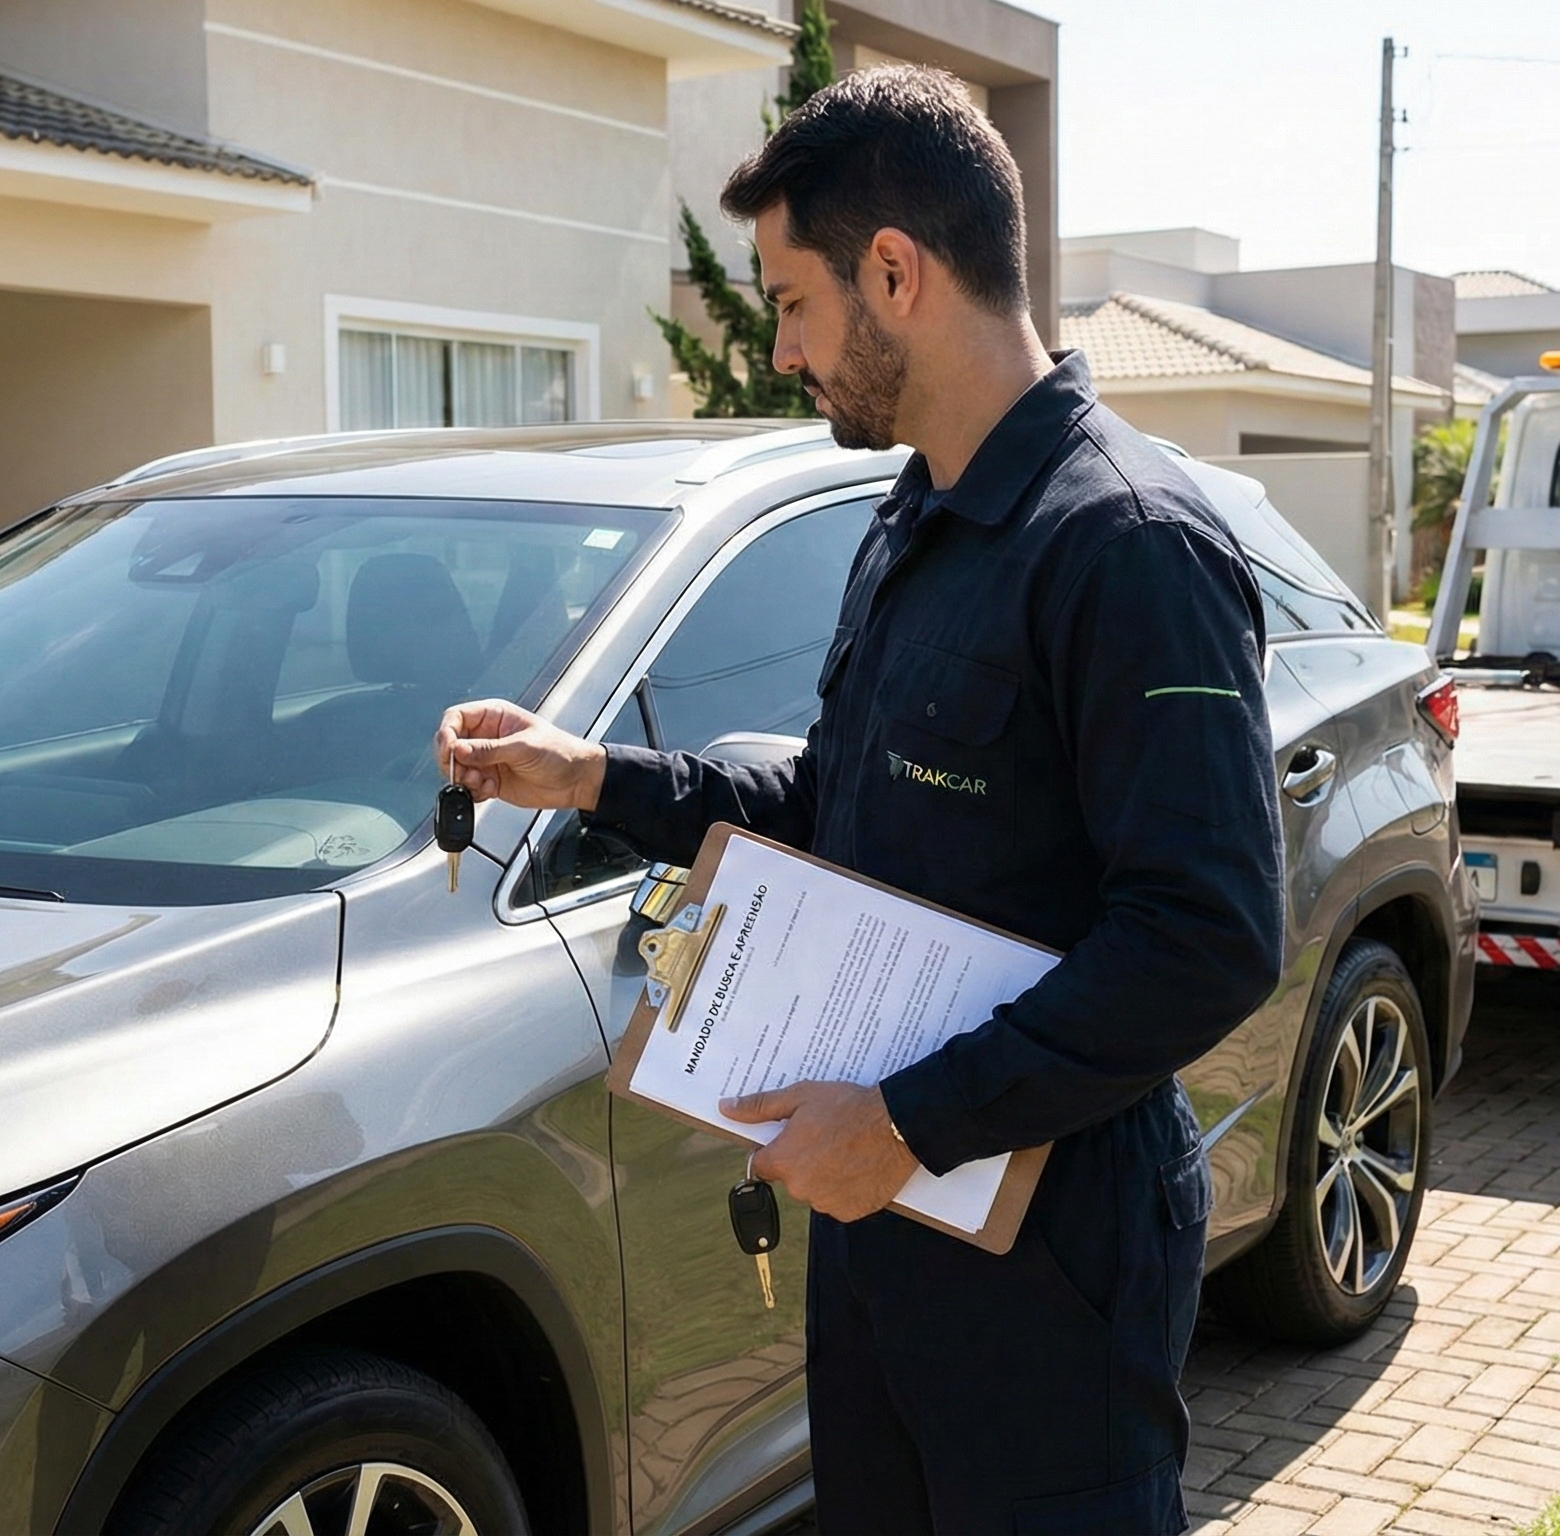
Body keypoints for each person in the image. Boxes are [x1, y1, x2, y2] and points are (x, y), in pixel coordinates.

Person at [435, 67, 1285, 1534]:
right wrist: (592, 775)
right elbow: (837, 796)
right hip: (889, 1222)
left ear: (894, 272)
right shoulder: (914, 517)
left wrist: (905, 1120)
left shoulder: (1128, 547)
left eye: (790, 302)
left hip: (1050, 1252)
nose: (781, 350)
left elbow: (1208, 935)